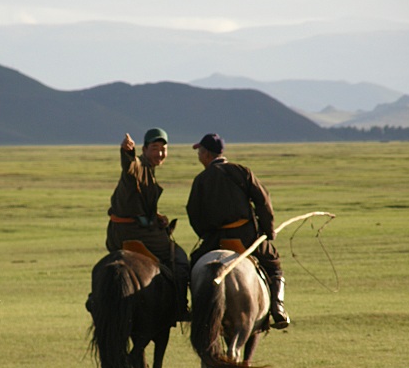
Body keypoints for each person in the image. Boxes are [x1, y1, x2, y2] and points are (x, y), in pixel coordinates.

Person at [186, 133, 290, 329]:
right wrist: (268, 232)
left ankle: (190, 306)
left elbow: (193, 212)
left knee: (193, 266)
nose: (199, 155)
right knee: (273, 264)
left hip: (215, 239)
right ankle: (277, 307)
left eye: (200, 152)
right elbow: (263, 200)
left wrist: (205, 235)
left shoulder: (201, 179)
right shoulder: (241, 171)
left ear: (207, 154)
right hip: (246, 237)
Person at [105, 127, 190, 323]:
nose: (160, 153)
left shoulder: (149, 170)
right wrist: (127, 152)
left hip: (116, 233)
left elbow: (136, 201)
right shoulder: (139, 165)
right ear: (144, 149)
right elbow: (129, 167)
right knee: (179, 259)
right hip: (135, 232)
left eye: (163, 149)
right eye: (155, 148)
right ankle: (180, 307)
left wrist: (155, 216)